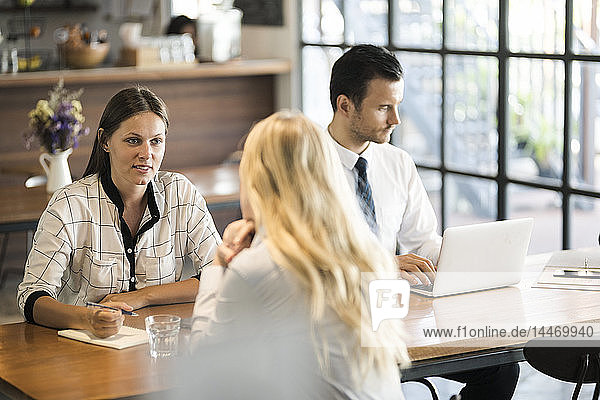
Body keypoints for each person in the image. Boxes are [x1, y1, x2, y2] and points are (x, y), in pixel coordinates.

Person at [327, 44, 519, 399]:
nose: (396, 120)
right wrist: (382, 263)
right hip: (336, 318)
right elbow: (302, 260)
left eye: (397, 106)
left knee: (501, 367)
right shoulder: (306, 168)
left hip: (393, 311)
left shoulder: (397, 163)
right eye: (384, 108)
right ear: (345, 105)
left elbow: (423, 241)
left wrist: (460, 258)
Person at [187, 111, 409, 399]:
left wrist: (218, 266)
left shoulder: (257, 267)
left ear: (258, 181)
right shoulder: (369, 254)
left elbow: (205, 361)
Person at [17, 86, 220, 338]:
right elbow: (32, 296)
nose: (147, 154)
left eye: (156, 141)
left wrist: (141, 297)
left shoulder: (181, 193)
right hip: (87, 346)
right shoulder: (70, 204)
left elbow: (220, 274)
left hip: (158, 342)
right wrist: (87, 318)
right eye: (133, 140)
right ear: (105, 141)